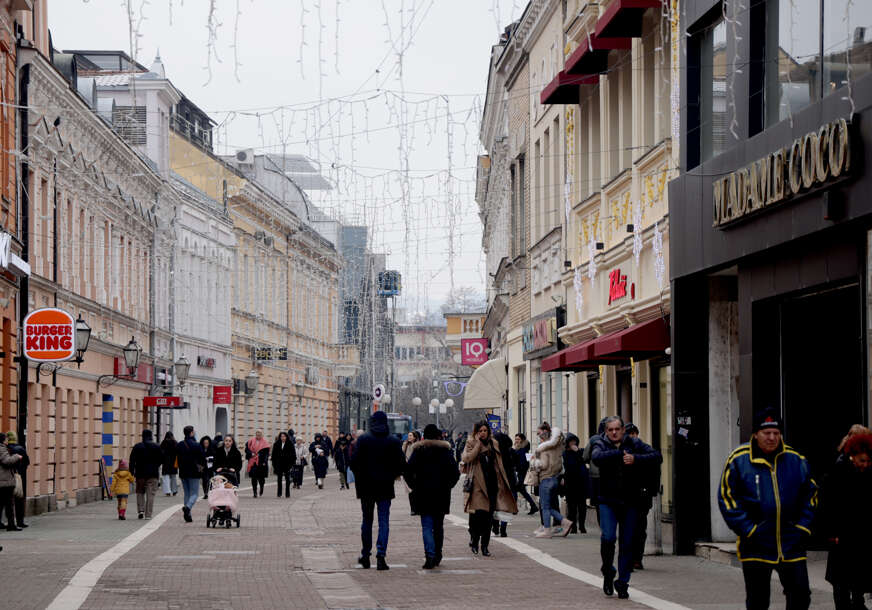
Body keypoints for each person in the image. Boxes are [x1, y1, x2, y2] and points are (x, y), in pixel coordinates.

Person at [718, 408, 816, 610]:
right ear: (755, 434)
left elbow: (811, 495)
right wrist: (749, 529)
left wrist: (802, 527)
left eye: (776, 433)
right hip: (756, 543)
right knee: (758, 600)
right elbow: (727, 498)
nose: (772, 438)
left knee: (800, 595)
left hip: (791, 542)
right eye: (767, 433)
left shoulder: (796, 460)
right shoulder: (739, 460)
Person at [592, 416, 661, 600]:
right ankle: (608, 571)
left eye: (617, 429)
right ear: (606, 432)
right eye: (610, 430)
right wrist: (620, 454)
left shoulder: (635, 443)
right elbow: (596, 457)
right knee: (608, 537)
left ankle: (623, 582)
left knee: (627, 542)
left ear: (623, 430)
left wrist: (635, 459)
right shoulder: (601, 443)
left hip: (631, 501)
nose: (614, 433)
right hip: (607, 500)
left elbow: (657, 456)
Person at [349, 410, 406, 571]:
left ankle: (365, 555)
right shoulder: (393, 441)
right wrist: (392, 475)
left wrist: (361, 477)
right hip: (385, 486)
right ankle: (381, 556)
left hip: (366, 487)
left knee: (367, 520)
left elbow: (354, 462)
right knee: (384, 521)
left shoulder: (364, 439)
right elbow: (402, 464)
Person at [822, 430, 871, 610]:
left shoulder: (865, 474)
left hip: (859, 534)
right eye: (862, 461)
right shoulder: (839, 471)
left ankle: (858, 604)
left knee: (857, 578)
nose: (865, 465)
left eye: (867, 461)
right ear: (853, 457)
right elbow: (828, 504)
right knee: (841, 580)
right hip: (842, 535)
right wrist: (831, 531)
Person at [404, 423, 460, 569]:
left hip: (423, 493)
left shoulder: (419, 451)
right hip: (441, 494)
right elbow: (455, 473)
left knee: (427, 526)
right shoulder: (445, 451)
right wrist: (448, 486)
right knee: (438, 526)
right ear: (438, 435)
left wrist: (414, 486)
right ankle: (438, 554)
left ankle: (429, 555)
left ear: (424, 436)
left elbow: (408, 471)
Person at [461, 421, 518, 557]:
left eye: (485, 430)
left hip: (492, 484)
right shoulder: (471, 443)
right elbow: (466, 458)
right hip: (477, 485)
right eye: (480, 431)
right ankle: (474, 540)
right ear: (476, 432)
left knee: (488, 518)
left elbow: (500, 463)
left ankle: (485, 546)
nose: (483, 433)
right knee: (476, 517)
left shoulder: (494, 444)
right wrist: (478, 446)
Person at [528, 421, 572, 538]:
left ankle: (548, 529)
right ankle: (563, 523)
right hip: (554, 478)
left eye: (539, 433)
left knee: (545, 506)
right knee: (549, 506)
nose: (538, 436)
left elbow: (543, 464)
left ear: (545, 432)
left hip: (546, 478)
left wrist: (534, 462)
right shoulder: (556, 447)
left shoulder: (544, 448)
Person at [624, 423, 659, 568]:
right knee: (630, 528)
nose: (632, 437)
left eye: (634, 434)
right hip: (627, 495)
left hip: (642, 494)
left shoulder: (645, 449)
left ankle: (636, 558)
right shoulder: (620, 449)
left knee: (639, 528)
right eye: (629, 434)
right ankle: (630, 558)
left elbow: (657, 457)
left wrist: (635, 459)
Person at [129, 429, 163, 520]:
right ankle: (148, 515)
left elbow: (132, 460)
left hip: (140, 474)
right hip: (153, 474)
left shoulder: (137, 447)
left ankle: (140, 510)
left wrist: (131, 472)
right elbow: (161, 459)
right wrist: (155, 466)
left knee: (140, 492)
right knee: (150, 494)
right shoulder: (156, 446)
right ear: (151, 436)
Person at [562, 432, 589, 535]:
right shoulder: (565, 454)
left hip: (581, 482)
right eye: (571, 441)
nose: (573, 443)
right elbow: (565, 466)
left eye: (575, 441)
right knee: (571, 506)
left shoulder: (581, 451)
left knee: (582, 506)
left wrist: (578, 452)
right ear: (567, 443)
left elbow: (583, 461)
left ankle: (582, 526)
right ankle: (573, 527)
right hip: (570, 482)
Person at [584, 417, 609, 525]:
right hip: (611, 476)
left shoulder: (594, 439)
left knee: (600, 503)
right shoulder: (618, 439)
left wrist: (592, 462)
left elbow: (585, 456)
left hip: (596, 476)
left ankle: (603, 526)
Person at [177, 425, 205, 523]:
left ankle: (187, 515)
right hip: (194, 472)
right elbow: (202, 458)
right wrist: (202, 469)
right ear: (192, 433)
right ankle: (187, 508)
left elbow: (177, 458)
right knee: (195, 494)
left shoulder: (180, 444)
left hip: (183, 472)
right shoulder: (196, 445)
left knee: (187, 493)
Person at [492, 432, 517, 538]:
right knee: (506, 506)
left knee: (494, 504)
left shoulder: (493, 453)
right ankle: (503, 528)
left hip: (495, 481)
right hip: (509, 481)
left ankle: (495, 525)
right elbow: (515, 465)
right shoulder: (510, 452)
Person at [4, 431, 29, 529]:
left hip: (6, 477)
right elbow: (27, 462)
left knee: (6, 501)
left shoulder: (5, 449)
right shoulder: (20, 449)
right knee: (19, 498)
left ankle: (6, 521)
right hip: (19, 476)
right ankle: (20, 521)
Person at [0, 432, 23, 532]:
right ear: (3, 440)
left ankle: (4, 524)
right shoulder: (1, 448)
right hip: (5, 481)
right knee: (9, 504)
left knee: (1, 504)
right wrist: (17, 456)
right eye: (6, 439)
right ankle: (11, 525)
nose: (7, 441)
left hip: (3, 481)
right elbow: (6, 461)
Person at [513, 433, 539, 515]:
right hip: (521, 473)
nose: (516, 441)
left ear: (522, 440)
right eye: (516, 439)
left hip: (522, 474)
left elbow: (523, 464)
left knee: (515, 489)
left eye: (518, 439)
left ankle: (514, 508)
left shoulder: (522, 450)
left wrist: (516, 468)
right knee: (521, 490)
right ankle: (533, 506)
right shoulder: (520, 449)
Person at [245, 430, 270, 497]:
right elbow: (246, 450)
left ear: (262, 435)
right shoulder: (250, 441)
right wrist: (251, 453)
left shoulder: (265, 443)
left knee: (261, 478)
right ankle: (255, 492)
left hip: (261, 462)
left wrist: (264, 461)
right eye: (257, 434)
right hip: (253, 462)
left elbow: (267, 453)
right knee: (253, 478)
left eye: (259, 434)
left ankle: (261, 487)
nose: (258, 436)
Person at [402, 430, 422, 514]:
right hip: (407, 470)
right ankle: (413, 509)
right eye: (408, 435)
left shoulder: (418, 446)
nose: (409, 437)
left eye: (410, 435)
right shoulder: (405, 445)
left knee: (417, 490)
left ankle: (417, 508)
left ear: (415, 437)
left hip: (416, 470)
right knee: (410, 490)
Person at [271, 432, 295, 498]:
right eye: (281, 436)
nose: (283, 438)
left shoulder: (290, 444)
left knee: (287, 479)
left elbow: (293, 455)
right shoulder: (276, 444)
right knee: (279, 479)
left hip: (287, 464)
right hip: (279, 464)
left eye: (284, 436)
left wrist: (291, 464)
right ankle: (279, 493)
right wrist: (274, 464)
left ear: (286, 437)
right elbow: (273, 455)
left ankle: (287, 493)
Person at [160, 431, 178, 496]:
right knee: (173, 477)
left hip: (166, 462)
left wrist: (161, 461)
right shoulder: (175, 442)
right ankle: (174, 490)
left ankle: (167, 491)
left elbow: (160, 453)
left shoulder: (163, 442)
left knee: (166, 477)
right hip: (173, 463)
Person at [199, 436, 215, 500]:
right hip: (203, 467)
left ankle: (210, 492)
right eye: (204, 443)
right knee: (204, 481)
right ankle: (205, 493)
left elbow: (215, 458)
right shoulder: (200, 449)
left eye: (207, 443)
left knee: (210, 480)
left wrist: (209, 459)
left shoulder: (212, 449)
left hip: (210, 467)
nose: (206, 444)